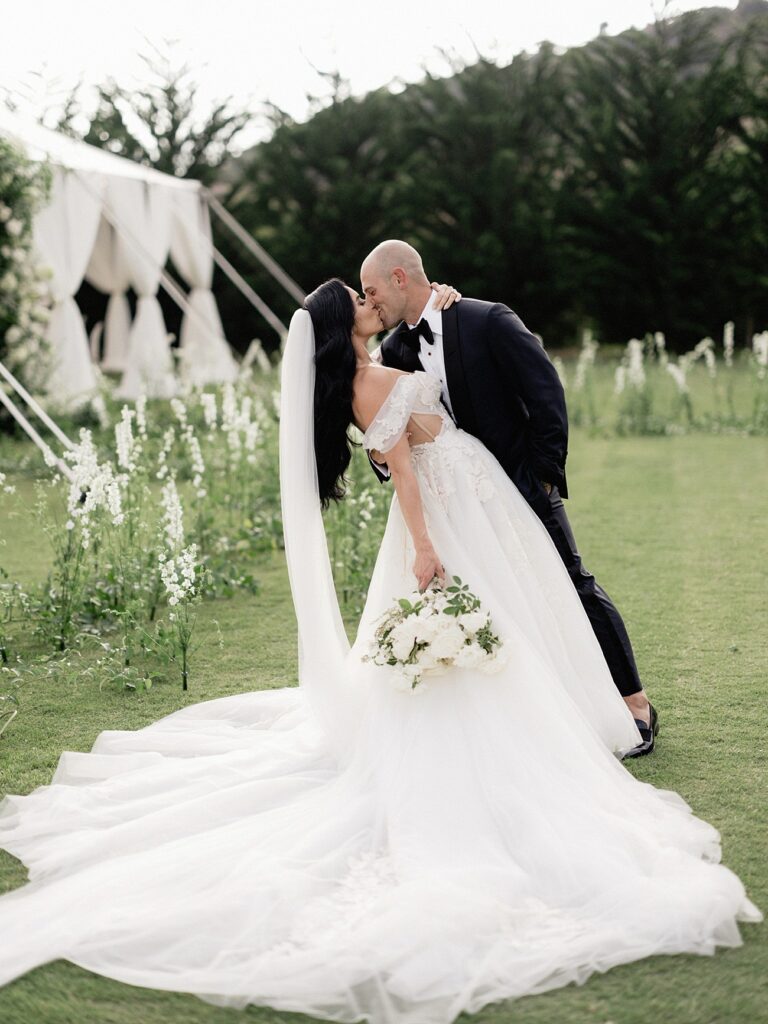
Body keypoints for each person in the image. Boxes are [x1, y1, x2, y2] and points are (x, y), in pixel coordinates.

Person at [0, 279, 760, 1024]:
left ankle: (587, 706)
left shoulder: (392, 352)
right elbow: (398, 469)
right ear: (346, 323)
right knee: (486, 631)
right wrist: (427, 548)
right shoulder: (370, 380)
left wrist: (446, 310)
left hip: (479, 497)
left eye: (374, 292)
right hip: (447, 517)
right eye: (359, 301)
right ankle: (508, 739)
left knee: (539, 609)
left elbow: (423, 415)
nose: (371, 304)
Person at [361, 240, 658, 756]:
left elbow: (546, 394)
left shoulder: (486, 319)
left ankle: (635, 703)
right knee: (504, 598)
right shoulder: (394, 351)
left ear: (401, 278)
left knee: (571, 583)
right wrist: (381, 457)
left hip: (519, 483)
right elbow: (386, 428)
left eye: (372, 290)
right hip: (460, 506)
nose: (372, 302)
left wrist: (542, 476)